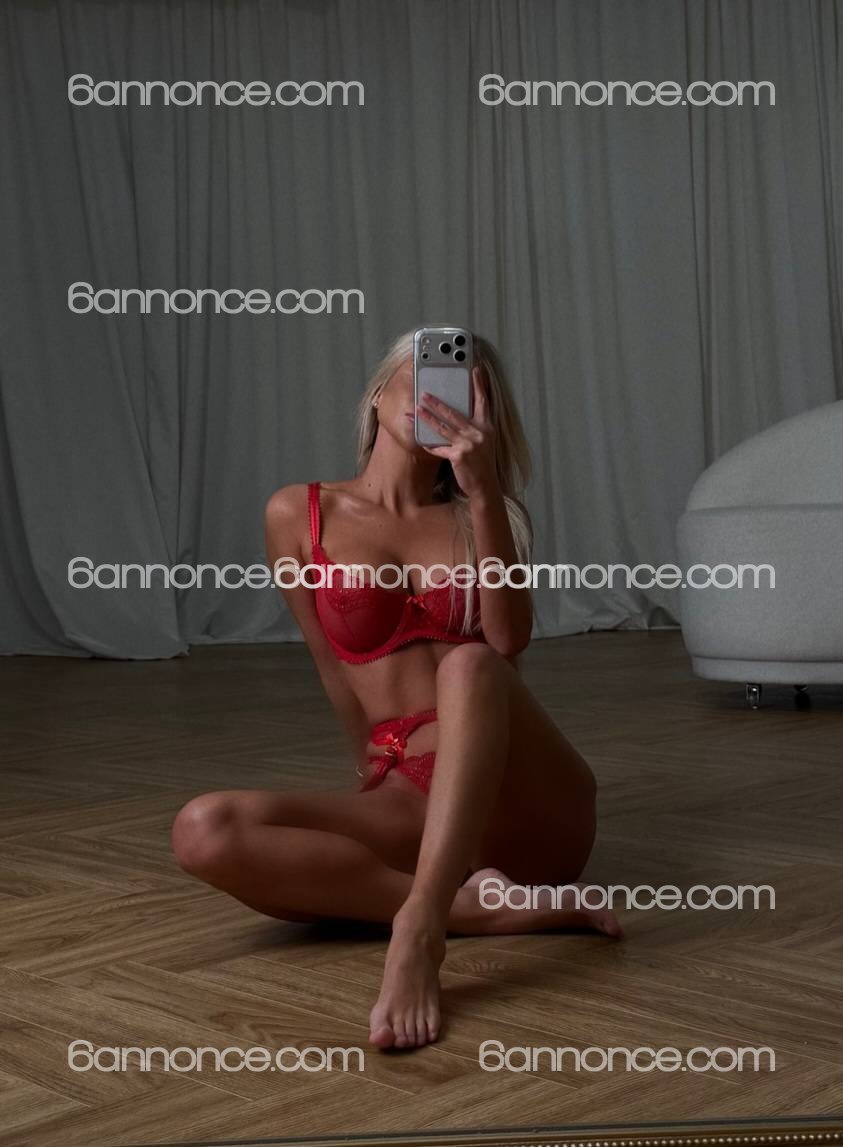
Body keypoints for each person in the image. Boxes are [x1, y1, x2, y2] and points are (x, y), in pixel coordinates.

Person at [171, 330, 620, 1051]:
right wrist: (368, 780)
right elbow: (331, 666)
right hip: (411, 793)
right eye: (422, 373)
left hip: (524, 799)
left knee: (469, 666)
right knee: (203, 827)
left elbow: (507, 643)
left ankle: (419, 927)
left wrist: (481, 490)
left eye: (461, 385)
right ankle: (476, 908)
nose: (436, 392)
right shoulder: (297, 514)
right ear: (379, 393)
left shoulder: (488, 514)